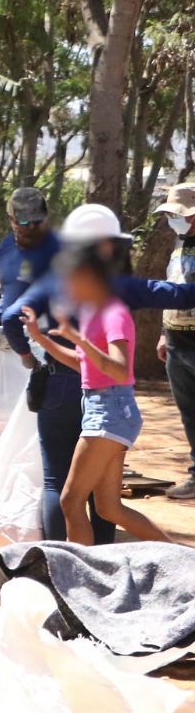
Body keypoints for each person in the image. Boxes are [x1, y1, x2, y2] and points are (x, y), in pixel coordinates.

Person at [21, 247, 171, 544]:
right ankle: (182, 561)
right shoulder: (92, 312)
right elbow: (83, 364)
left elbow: (118, 369)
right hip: (103, 408)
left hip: (110, 410)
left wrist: (78, 339)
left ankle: (81, 580)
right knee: (109, 507)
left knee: (70, 500)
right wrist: (40, 338)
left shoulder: (113, 313)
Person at [155, 183, 195, 500]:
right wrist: (162, 333)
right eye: (170, 214)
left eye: (178, 214)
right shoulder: (178, 246)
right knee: (189, 414)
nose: (174, 219)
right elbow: (172, 287)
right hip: (176, 344)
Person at [0, 187, 61, 316]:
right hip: (13, 329)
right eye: (24, 221)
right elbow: (9, 291)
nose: (31, 226)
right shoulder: (5, 250)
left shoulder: (60, 250)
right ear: (11, 220)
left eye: (37, 220)